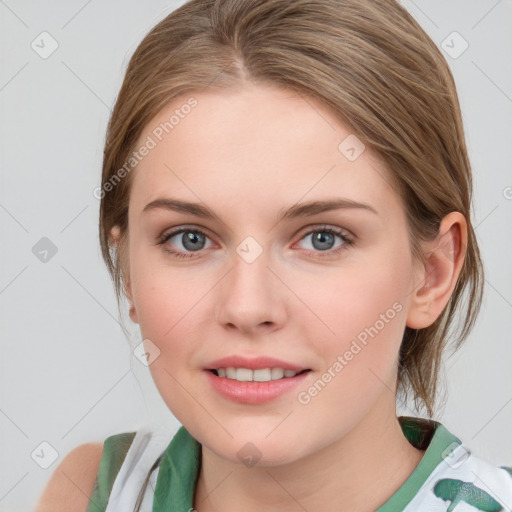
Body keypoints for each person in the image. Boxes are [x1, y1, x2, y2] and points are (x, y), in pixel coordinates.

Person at [36, 0, 512, 511]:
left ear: (432, 275)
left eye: (322, 238)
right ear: (128, 270)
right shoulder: (88, 493)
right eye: (189, 238)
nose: (246, 306)